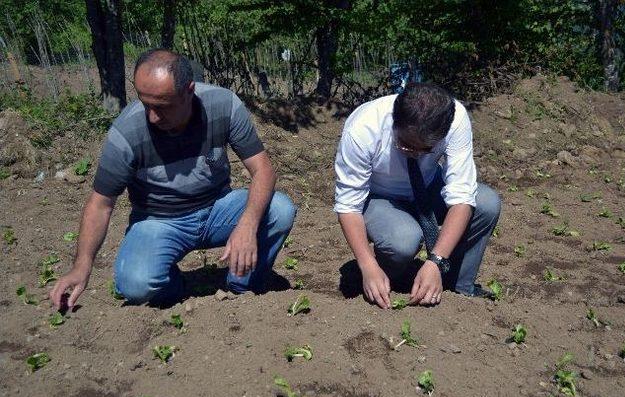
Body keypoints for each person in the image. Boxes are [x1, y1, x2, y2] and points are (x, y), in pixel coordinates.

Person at [50, 49, 296, 309]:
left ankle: (242, 285)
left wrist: (247, 224)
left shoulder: (223, 105)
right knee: (135, 284)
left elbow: (263, 170)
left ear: (189, 90)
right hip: (159, 220)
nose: (152, 116)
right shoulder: (126, 133)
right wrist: (82, 264)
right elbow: (101, 204)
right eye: (146, 104)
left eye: (162, 106)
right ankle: (175, 287)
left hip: (217, 209)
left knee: (280, 210)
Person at [334, 83, 501, 309]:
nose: (413, 152)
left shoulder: (455, 118)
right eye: (404, 145)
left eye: (425, 149)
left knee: (486, 203)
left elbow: (462, 196)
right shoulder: (363, 128)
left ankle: (457, 287)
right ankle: (383, 277)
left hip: (428, 186)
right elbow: (348, 206)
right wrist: (366, 264)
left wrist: (435, 261)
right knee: (403, 239)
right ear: (395, 119)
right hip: (381, 195)